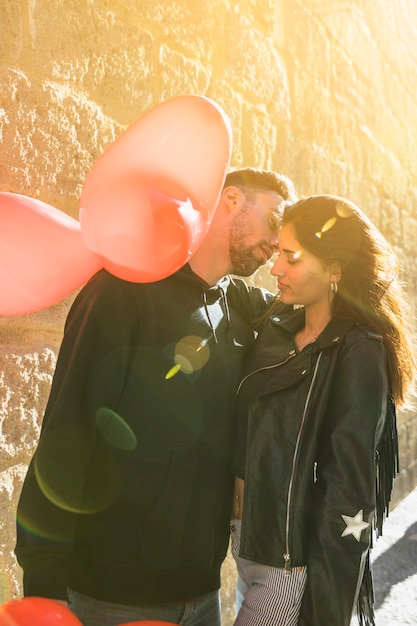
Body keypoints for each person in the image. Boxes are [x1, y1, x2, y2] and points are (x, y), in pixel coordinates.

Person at [15, 167, 297, 626]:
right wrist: (44, 587)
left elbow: (312, 313)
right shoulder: (122, 290)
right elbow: (67, 431)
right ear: (229, 200)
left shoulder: (238, 311)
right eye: (274, 219)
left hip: (203, 599)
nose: (275, 244)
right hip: (107, 599)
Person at [231, 194, 415, 626]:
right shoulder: (278, 326)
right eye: (277, 253)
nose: (275, 268)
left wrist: (324, 605)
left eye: (291, 257)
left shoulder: (359, 353)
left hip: (287, 564)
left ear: (334, 268)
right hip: (244, 541)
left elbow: (347, 486)